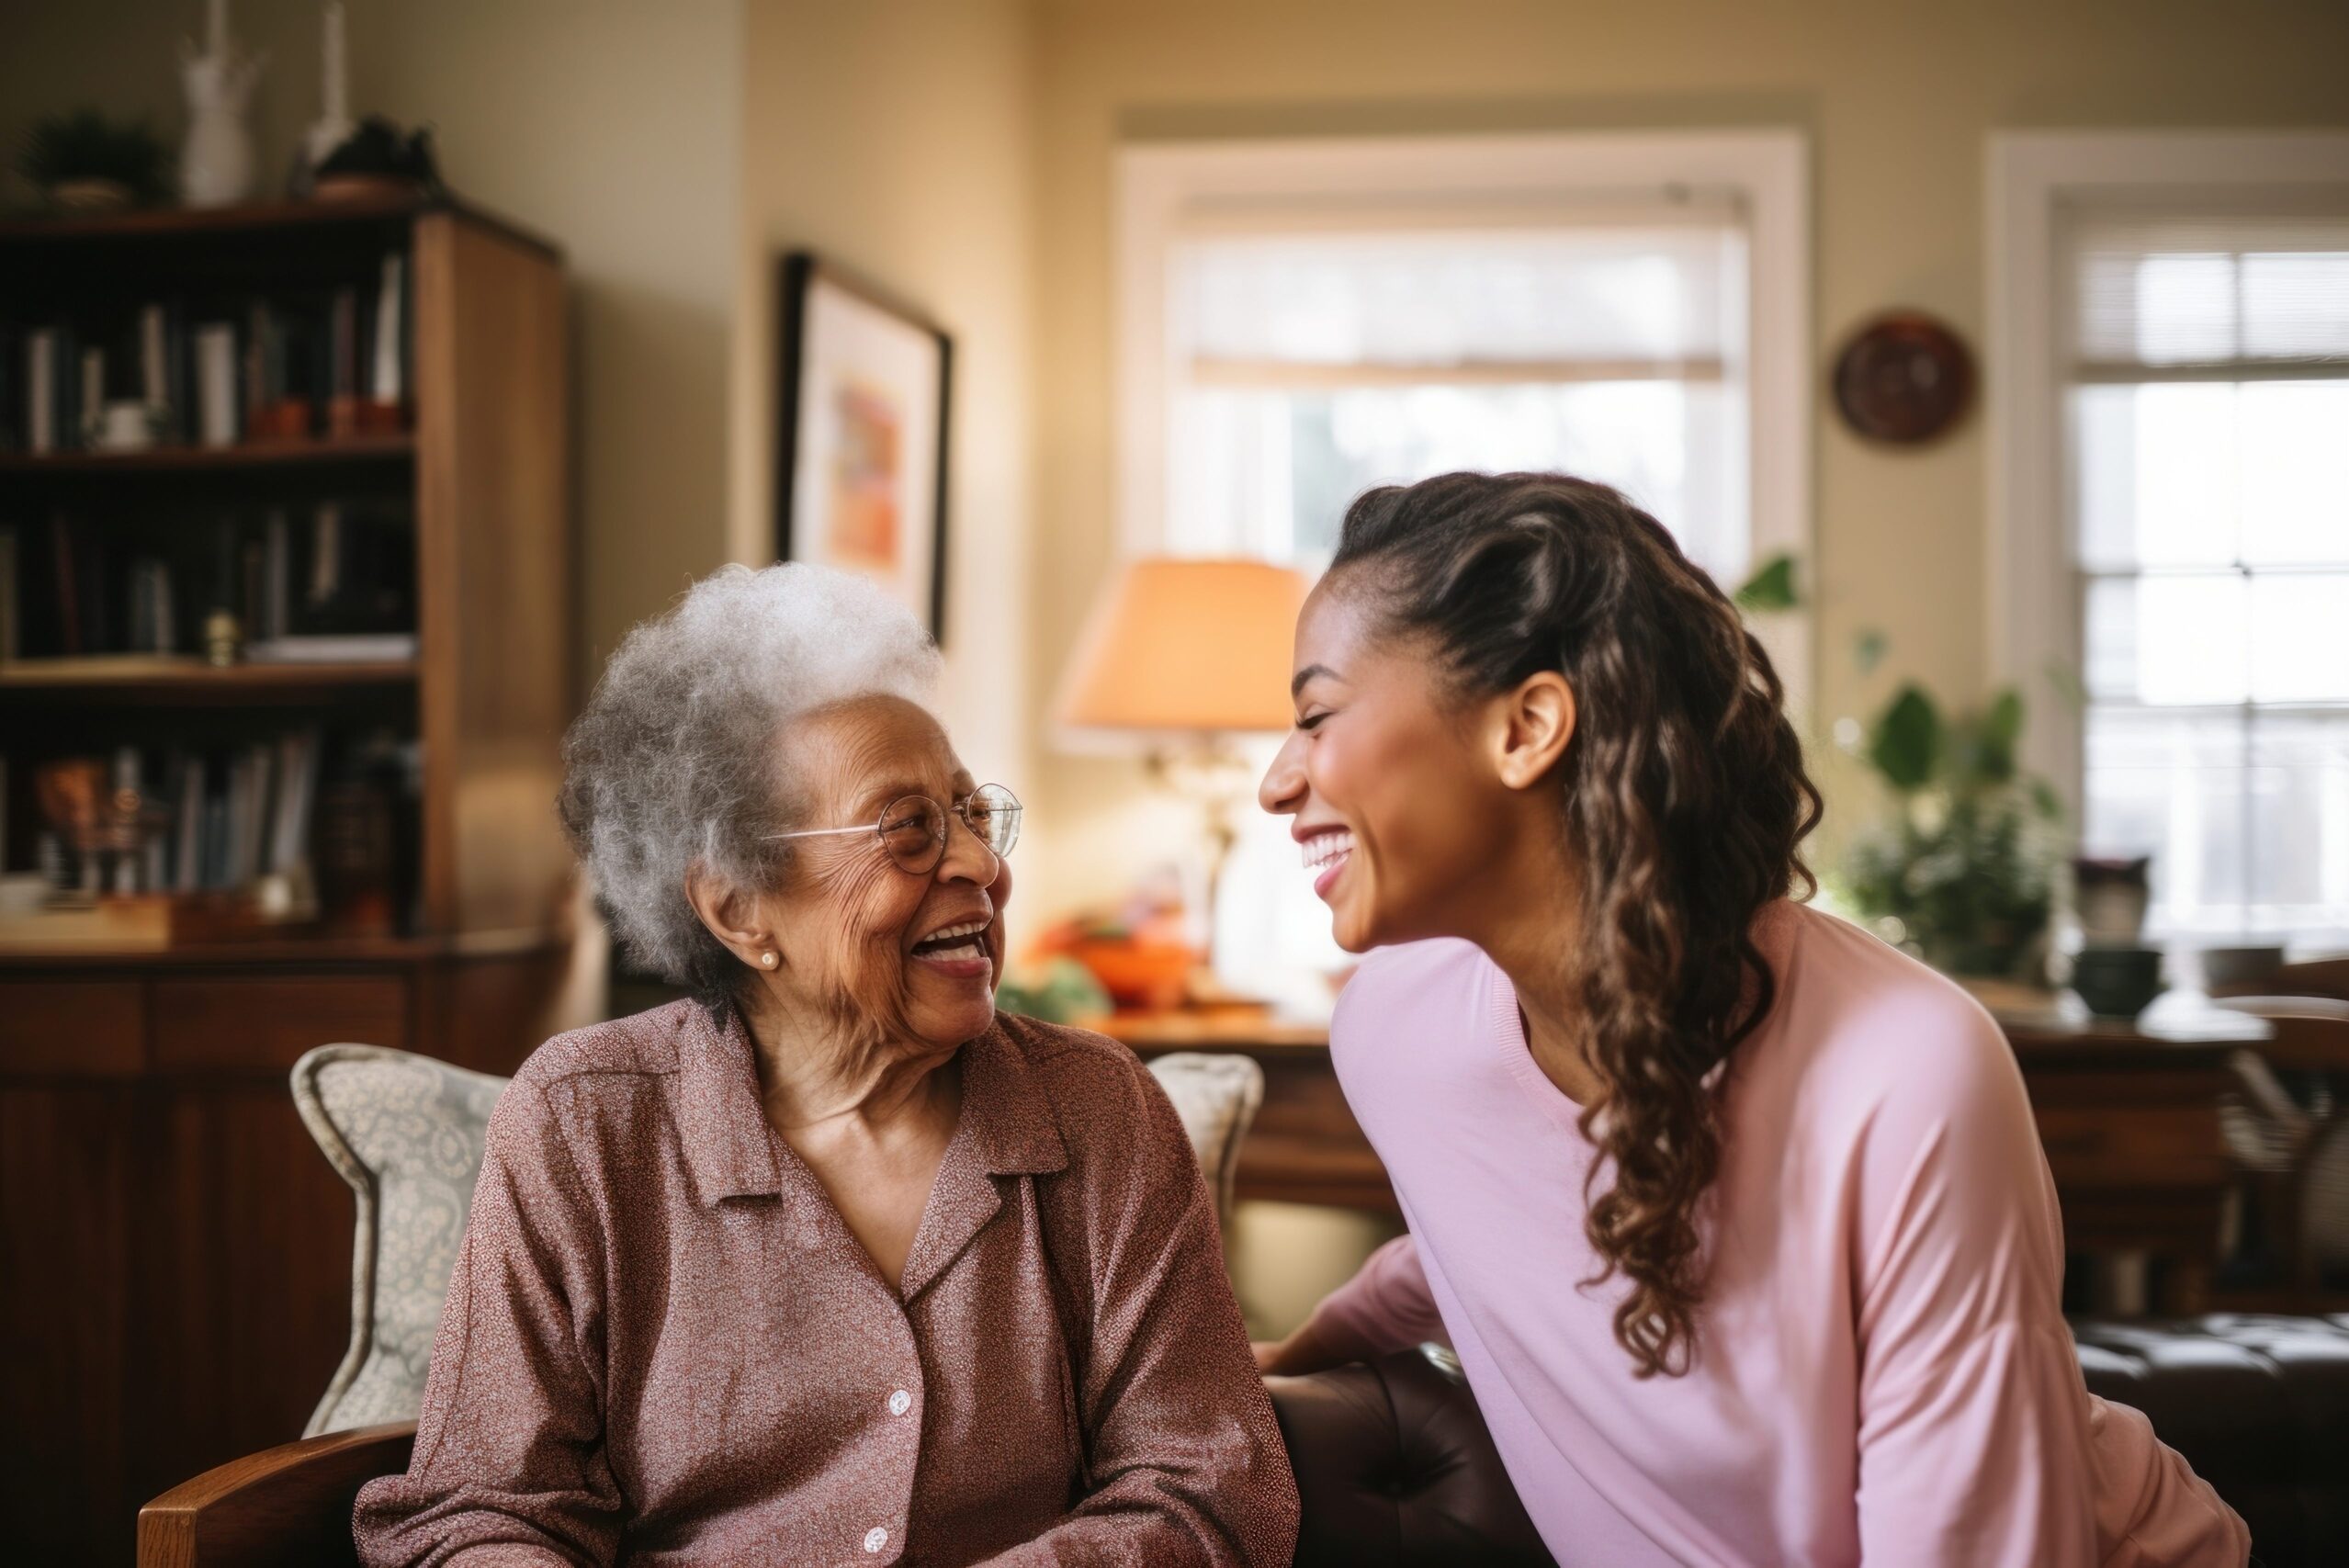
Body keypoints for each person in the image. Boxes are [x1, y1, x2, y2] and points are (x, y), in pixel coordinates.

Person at [1252, 472, 2246, 1566]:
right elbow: (1485, 1237)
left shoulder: (1906, 1072)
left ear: (1527, 726)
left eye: (1315, 716)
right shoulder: (1396, 1029)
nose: (1275, 781)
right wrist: (1296, 1347)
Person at [355, 563, 1296, 1567]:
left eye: (974, 814)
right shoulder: (586, 1123)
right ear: (738, 910)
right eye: (909, 830)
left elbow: (1211, 1488)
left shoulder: (1097, 1109)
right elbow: (479, 1514)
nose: (980, 866)